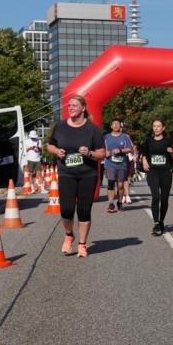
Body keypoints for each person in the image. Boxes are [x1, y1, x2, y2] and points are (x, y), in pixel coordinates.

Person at [46, 95, 105, 257]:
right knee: (66, 209)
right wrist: (57, 151)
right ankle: (69, 234)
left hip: (88, 174)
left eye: (74, 105)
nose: (70, 108)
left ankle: (82, 244)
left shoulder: (93, 129)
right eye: (69, 105)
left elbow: (102, 154)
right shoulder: (60, 127)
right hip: (66, 173)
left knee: (84, 211)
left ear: (83, 108)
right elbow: (50, 145)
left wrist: (90, 153)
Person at [141, 119, 173, 236]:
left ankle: (161, 220)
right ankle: (156, 223)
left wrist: (171, 152)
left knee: (164, 199)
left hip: (166, 172)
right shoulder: (148, 141)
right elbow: (144, 154)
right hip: (153, 172)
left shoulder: (168, 140)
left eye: (158, 126)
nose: (156, 128)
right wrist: (144, 161)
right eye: (154, 126)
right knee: (156, 196)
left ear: (163, 128)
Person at [103, 118, 133, 213]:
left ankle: (119, 202)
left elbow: (130, 149)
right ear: (111, 126)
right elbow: (101, 148)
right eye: (114, 124)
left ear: (120, 126)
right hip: (110, 164)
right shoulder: (106, 137)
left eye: (117, 124)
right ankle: (111, 203)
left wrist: (120, 151)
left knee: (120, 186)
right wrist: (105, 152)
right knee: (111, 183)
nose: (115, 125)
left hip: (122, 165)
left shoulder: (125, 137)